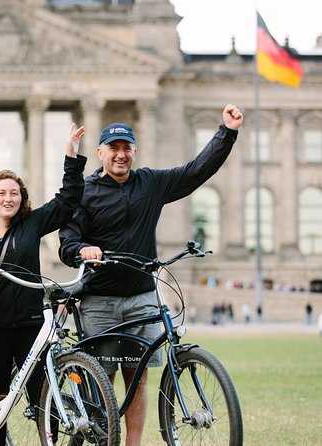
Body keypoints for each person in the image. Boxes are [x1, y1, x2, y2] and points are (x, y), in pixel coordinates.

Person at [58, 104, 243, 446]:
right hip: (99, 302)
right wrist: (81, 251)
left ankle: (133, 444)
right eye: (113, 148)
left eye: (127, 148)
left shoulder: (150, 183)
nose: (121, 154)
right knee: (101, 379)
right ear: (100, 153)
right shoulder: (85, 192)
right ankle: (100, 437)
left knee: (137, 378)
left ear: (134, 152)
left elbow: (195, 172)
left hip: (142, 297)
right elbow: (67, 241)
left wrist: (226, 132)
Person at [0, 123, 87, 446]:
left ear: (21, 198)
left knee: (43, 398)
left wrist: (71, 157)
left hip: (29, 325)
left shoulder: (32, 224)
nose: (8, 198)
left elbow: (67, 201)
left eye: (14, 193)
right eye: (2, 193)